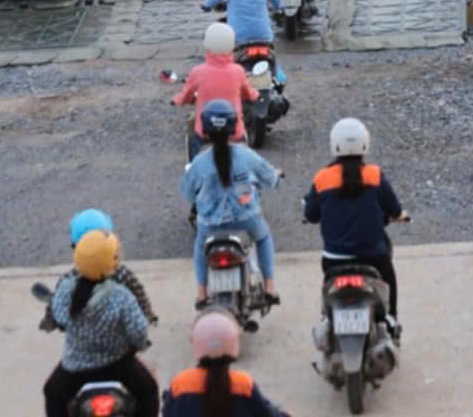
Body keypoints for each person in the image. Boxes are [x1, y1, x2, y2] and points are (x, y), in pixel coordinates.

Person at [303, 118, 408, 329]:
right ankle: (391, 317)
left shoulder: (322, 178)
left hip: (334, 260)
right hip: (373, 257)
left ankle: (327, 317)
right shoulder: (375, 175)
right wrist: (399, 215)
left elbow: (312, 215)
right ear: (365, 143)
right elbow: (394, 209)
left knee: (327, 285)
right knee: (388, 275)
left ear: (334, 145)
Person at [43, 226, 158, 417]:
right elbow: (139, 332)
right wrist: (138, 345)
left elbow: (60, 318)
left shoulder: (65, 289)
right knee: (149, 391)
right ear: (111, 262)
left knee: (52, 393)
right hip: (120, 367)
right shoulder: (120, 295)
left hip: (74, 369)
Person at [182, 99, 281, 307]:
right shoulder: (247, 155)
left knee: (200, 246)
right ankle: (270, 287)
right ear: (234, 127)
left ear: (205, 130)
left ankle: (201, 292)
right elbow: (269, 178)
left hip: (210, 224)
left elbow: (188, 193)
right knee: (263, 238)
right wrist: (276, 177)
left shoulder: (199, 163)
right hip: (247, 220)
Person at [162, 311, 291, 416]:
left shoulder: (180, 384)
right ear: (234, 343)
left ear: (196, 342)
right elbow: (268, 413)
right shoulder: (243, 384)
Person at [173, 23, 259, 153]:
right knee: (244, 154)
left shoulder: (197, 71)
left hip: (205, 131)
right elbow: (247, 94)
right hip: (234, 131)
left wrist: (178, 99)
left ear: (207, 45)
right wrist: (255, 94)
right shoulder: (238, 71)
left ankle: (193, 166)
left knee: (193, 138)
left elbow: (187, 96)